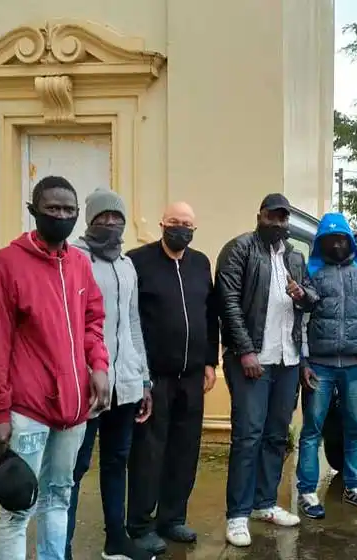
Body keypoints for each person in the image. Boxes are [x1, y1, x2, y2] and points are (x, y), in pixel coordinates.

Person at [0, 175, 110, 560]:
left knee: (59, 496)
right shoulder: (8, 264)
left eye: (69, 210)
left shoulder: (79, 264)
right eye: (53, 208)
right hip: (26, 410)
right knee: (19, 505)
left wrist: (99, 366)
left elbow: (93, 321)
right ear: (34, 210)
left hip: (74, 408)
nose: (62, 215)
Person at [216, 193, 318, 548]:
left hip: (287, 359)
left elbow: (312, 302)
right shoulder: (240, 249)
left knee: (276, 435)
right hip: (252, 358)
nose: (278, 223)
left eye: (283, 218)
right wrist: (245, 350)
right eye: (272, 217)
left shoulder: (294, 257)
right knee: (248, 435)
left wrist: (301, 292)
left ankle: (264, 503)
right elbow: (227, 302)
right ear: (259, 215)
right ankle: (238, 514)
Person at [126, 201, 220, 555]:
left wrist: (211, 361)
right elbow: (131, 318)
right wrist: (140, 373)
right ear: (163, 224)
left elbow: (211, 315)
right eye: (175, 222)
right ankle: (139, 523)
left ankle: (172, 517)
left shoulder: (200, 263)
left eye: (188, 224)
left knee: (185, 449)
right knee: (149, 452)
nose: (181, 229)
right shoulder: (139, 261)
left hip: (192, 376)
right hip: (155, 378)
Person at [65, 189, 154, 560]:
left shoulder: (126, 265)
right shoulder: (72, 259)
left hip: (127, 383)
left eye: (117, 217)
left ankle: (114, 539)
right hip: (88, 385)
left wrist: (144, 378)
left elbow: (133, 324)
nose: (111, 224)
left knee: (117, 461)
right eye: (103, 217)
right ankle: (61, 547)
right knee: (74, 467)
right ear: (89, 220)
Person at [295, 212, 357, 519]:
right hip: (319, 366)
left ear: (349, 240)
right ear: (321, 242)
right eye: (329, 239)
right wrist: (304, 361)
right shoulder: (312, 271)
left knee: (355, 427)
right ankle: (307, 491)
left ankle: (353, 484)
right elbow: (302, 320)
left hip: (355, 365)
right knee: (312, 429)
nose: (336, 244)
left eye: (341, 238)